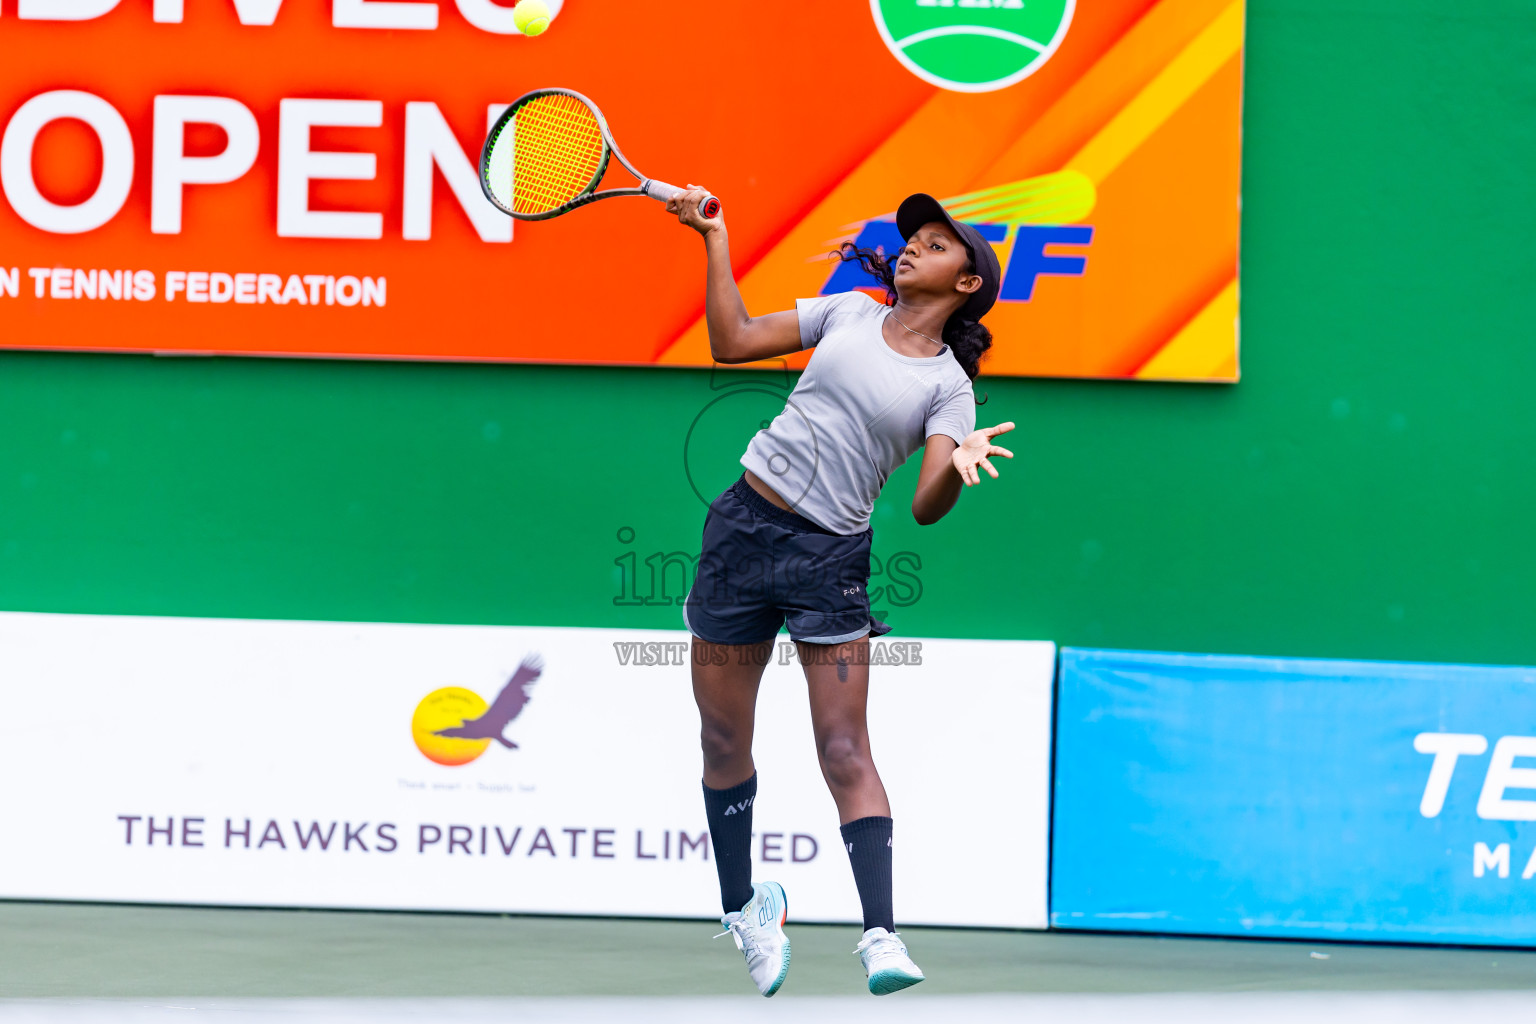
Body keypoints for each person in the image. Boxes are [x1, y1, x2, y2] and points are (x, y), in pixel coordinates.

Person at [666, 185, 1015, 997]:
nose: (913, 249)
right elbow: (734, 340)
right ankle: (746, 909)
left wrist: (956, 468)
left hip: (830, 562)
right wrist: (715, 239)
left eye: (936, 245)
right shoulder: (849, 314)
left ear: (967, 283)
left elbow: (926, 505)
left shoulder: (950, 389)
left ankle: (881, 936)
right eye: (913, 240)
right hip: (741, 533)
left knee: (843, 747)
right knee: (722, 741)